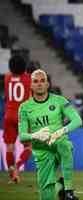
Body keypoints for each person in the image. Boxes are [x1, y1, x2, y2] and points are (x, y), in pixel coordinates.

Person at [18, 69, 82, 200]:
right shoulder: (24, 107)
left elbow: (78, 121)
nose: (40, 84)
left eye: (43, 81)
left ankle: (69, 191)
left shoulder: (59, 101)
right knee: (47, 195)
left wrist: (60, 131)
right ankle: (61, 187)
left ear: (47, 84)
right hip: (41, 151)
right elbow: (22, 136)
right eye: (36, 81)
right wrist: (34, 135)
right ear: (31, 85)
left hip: (58, 143)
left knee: (65, 146)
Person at [3, 55, 32, 183]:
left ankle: (12, 175)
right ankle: (16, 167)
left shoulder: (7, 78)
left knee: (9, 147)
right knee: (29, 146)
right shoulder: (29, 79)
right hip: (23, 116)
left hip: (9, 115)